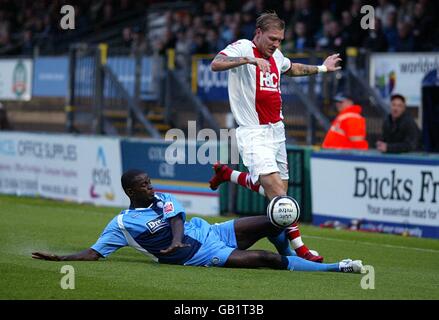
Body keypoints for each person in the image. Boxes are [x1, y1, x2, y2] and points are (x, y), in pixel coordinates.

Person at [31, 169, 364, 273]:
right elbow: (94, 252)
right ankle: (337, 268)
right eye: (145, 184)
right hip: (201, 255)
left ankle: (298, 256)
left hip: (210, 231)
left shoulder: (161, 201)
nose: (151, 186)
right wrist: (62, 258)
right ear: (131, 190)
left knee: (273, 220)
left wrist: (176, 239)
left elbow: (177, 218)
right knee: (265, 260)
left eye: (150, 182)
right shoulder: (121, 225)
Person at [209, 12, 342, 263]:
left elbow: (292, 68)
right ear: (258, 33)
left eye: (280, 40)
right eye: (272, 38)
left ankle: (229, 175)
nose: (276, 44)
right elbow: (216, 63)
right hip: (253, 132)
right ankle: (301, 249)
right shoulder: (243, 47)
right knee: (279, 196)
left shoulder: (276, 56)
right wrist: (247, 61)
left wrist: (324, 67)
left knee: (278, 197)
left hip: (277, 133)